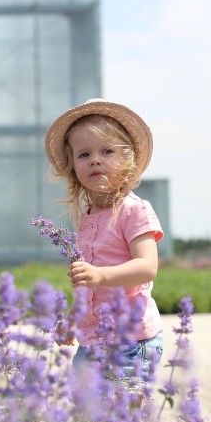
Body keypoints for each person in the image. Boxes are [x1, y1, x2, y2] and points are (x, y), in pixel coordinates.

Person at [44, 99, 164, 379]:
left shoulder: (134, 209)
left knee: (121, 418)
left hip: (132, 342)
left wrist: (98, 274)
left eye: (107, 151)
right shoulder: (87, 217)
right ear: (73, 167)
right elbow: (89, 289)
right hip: (94, 340)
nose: (95, 159)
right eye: (84, 154)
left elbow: (147, 267)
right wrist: (72, 318)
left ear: (127, 158)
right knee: (82, 411)